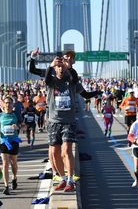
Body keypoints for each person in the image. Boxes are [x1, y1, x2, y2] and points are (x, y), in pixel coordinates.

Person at [44, 56, 99, 192]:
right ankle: (62, 178)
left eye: (63, 66)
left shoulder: (72, 81)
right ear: (54, 69)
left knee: (66, 150)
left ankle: (70, 180)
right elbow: (46, 78)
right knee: (55, 152)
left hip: (68, 121)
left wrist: (68, 66)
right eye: (58, 66)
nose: (61, 68)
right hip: (54, 121)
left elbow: (75, 76)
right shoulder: (51, 82)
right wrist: (51, 65)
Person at [0, 96, 22, 195]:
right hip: (4, 141)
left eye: (10, 103)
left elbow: (24, 126)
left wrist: (17, 127)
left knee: (14, 163)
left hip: (14, 141)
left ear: (13, 105)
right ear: (4, 105)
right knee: (5, 163)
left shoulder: (16, 115)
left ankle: (14, 177)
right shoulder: (0, 116)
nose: (8, 105)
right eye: (6, 103)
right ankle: (6, 186)